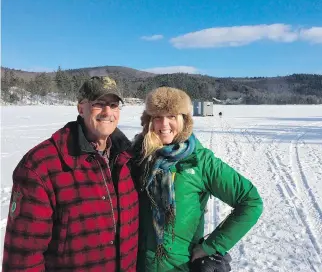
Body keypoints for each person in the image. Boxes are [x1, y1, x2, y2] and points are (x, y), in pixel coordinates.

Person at [2, 76, 139, 271]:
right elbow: (23, 258)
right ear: (80, 108)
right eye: (98, 104)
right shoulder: (41, 166)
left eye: (113, 105)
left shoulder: (128, 158)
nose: (108, 112)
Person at [132, 87, 263, 272]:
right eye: (157, 117)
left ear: (184, 121)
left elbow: (250, 201)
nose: (164, 124)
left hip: (179, 267)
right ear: (149, 122)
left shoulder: (199, 160)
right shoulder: (138, 158)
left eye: (172, 116)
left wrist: (211, 246)